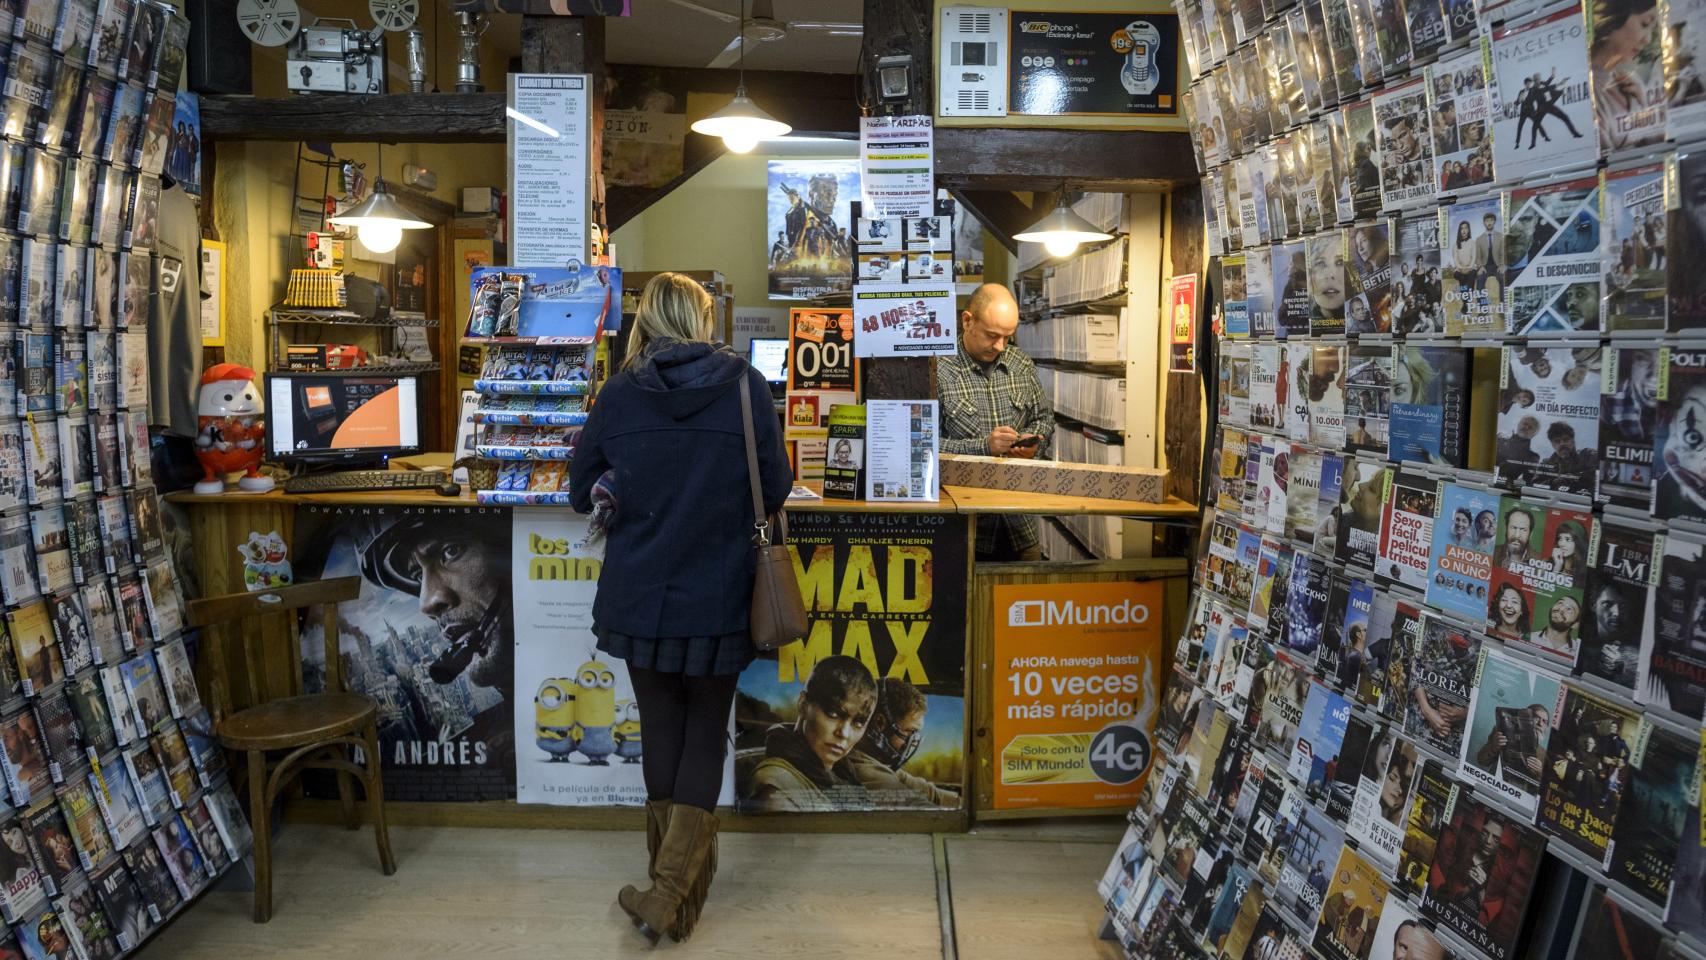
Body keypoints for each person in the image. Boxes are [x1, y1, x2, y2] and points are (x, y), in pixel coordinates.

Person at [567, 274, 789, 942]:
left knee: (662, 728)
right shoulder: (745, 386)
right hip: (721, 591)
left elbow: (582, 492)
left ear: (643, 321)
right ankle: (673, 897)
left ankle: (668, 894)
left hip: (639, 593)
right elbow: (774, 486)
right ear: (700, 319)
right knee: (705, 732)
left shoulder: (619, 391)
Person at [937, 284, 1054, 560]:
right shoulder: (939, 370)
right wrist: (984, 447)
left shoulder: (1021, 364)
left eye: (1007, 337)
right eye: (992, 335)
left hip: (1020, 524)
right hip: (964, 529)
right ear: (967, 321)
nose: (1000, 346)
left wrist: (1033, 445)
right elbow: (923, 445)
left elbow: (1044, 419)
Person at [745, 656, 877, 813]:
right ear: (803, 705)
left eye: (859, 723)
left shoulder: (845, 776)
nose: (844, 733)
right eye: (833, 713)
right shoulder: (777, 789)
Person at [847, 678, 959, 806]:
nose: (912, 742)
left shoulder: (877, 761)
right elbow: (919, 808)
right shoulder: (863, 770)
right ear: (880, 723)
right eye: (909, 732)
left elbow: (929, 792)